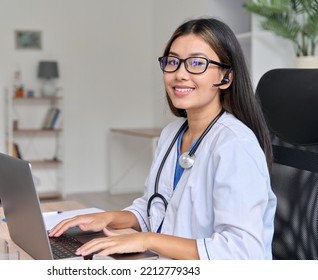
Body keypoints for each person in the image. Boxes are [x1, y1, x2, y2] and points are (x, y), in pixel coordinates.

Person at [49, 17, 277, 260]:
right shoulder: (172, 133)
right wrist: (108, 217)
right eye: (173, 62)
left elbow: (242, 252)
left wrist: (147, 240)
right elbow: (155, 210)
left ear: (225, 77)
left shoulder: (235, 145)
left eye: (197, 63)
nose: (180, 74)